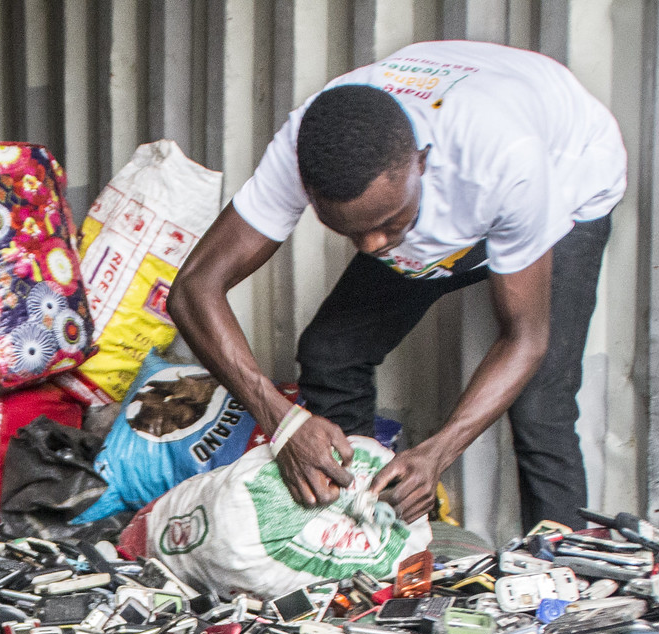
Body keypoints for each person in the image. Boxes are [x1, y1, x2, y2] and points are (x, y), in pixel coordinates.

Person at [171, 40, 626, 534]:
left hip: (568, 180)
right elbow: (194, 289)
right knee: (332, 350)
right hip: (457, 172)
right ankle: (358, 528)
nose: (370, 247)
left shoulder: (505, 162)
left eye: (389, 223)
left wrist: (439, 451)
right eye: (347, 229)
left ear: (422, 163)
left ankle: (564, 578)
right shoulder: (310, 144)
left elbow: (526, 338)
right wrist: (283, 422)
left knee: (540, 402)